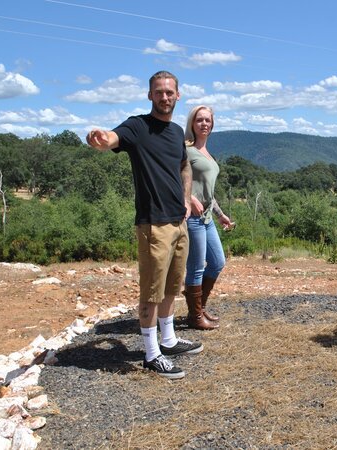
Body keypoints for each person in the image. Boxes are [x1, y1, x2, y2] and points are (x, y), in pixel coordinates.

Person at [86, 70, 203, 379]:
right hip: (153, 225)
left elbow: (183, 166)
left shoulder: (177, 132)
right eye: (158, 92)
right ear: (150, 95)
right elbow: (114, 138)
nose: (164, 97)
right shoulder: (138, 126)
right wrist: (102, 138)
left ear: (178, 95)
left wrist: (187, 198)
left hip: (178, 222)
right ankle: (151, 355)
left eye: (169, 92)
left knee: (170, 286)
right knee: (151, 291)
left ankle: (168, 340)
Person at [182, 105, 235, 330]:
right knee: (195, 267)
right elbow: (173, 179)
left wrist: (220, 214)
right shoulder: (186, 150)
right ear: (192, 123)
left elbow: (208, 192)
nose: (204, 124)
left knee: (217, 262)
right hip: (192, 218)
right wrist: (189, 198)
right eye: (199, 120)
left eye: (208, 120)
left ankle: (199, 308)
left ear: (212, 125)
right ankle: (195, 317)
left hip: (207, 218)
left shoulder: (207, 154)